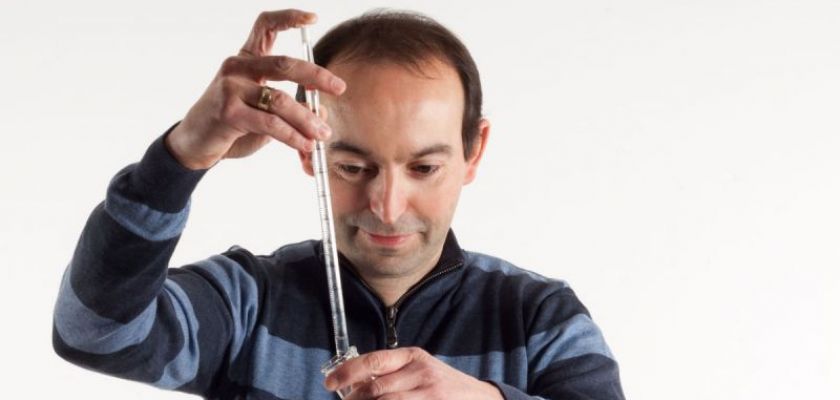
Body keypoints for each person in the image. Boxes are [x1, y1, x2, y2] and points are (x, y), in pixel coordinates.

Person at [52, 8, 625, 400]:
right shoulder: (248, 302)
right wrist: (180, 158)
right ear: (309, 152)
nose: (387, 205)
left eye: (424, 168)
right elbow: (92, 332)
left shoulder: (540, 318)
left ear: (475, 152)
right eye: (353, 167)